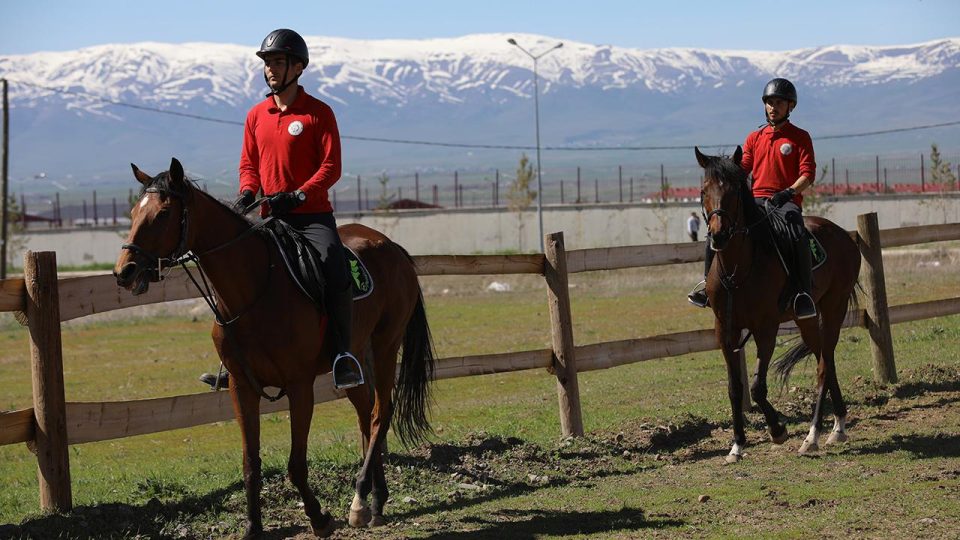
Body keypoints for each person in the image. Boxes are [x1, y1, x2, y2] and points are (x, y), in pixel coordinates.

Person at [200, 28, 364, 390]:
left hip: (311, 219)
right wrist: (246, 192)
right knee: (240, 276)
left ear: (298, 67)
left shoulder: (319, 113)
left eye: (277, 62)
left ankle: (342, 355)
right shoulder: (256, 115)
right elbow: (249, 164)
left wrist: (300, 195)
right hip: (269, 218)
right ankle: (235, 362)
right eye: (267, 63)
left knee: (332, 269)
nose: (271, 70)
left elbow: (330, 167)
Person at [687, 78, 818, 320]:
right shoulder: (754, 138)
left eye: (778, 102)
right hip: (756, 200)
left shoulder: (800, 137)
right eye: (769, 102)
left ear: (790, 106)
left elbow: (808, 175)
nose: (772, 107)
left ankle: (802, 294)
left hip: (785, 202)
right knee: (716, 231)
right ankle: (707, 287)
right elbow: (741, 170)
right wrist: (720, 170)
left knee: (797, 230)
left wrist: (789, 192)